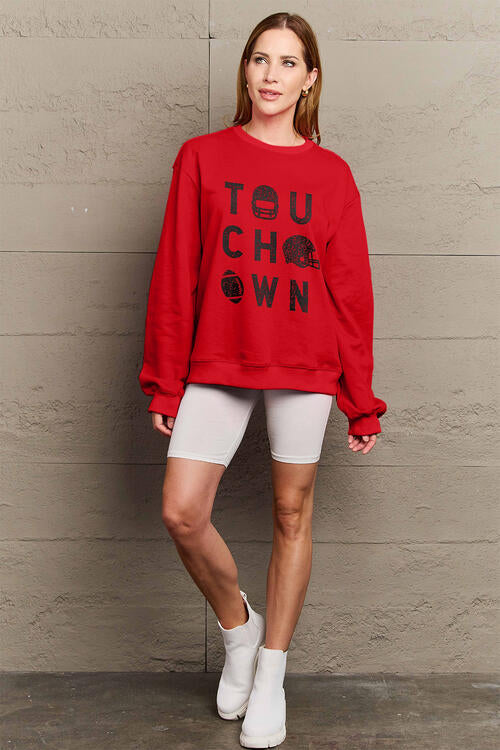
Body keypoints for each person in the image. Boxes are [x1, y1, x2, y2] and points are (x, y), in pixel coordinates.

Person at [138, 11, 387, 749]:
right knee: (182, 512)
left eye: (288, 63)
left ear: (310, 79)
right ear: (245, 70)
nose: (271, 75)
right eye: (260, 60)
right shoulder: (202, 158)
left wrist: (362, 401)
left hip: (306, 363)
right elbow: (176, 274)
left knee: (290, 513)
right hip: (218, 357)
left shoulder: (331, 174)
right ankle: (239, 630)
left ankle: (271, 672)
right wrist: (164, 380)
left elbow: (351, 293)